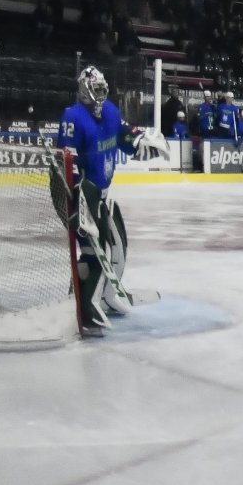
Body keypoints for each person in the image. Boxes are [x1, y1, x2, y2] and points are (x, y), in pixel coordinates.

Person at [58, 65, 136, 332]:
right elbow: (63, 164)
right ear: (84, 89)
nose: (101, 94)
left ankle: (107, 296)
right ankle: (84, 304)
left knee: (119, 248)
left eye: (103, 89)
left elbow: (124, 136)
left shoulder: (111, 112)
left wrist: (141, 139)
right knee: (95, 251)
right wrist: (73, 204)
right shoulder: (73, 117)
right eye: (96, 89)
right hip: (81, 196)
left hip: (102, 197)